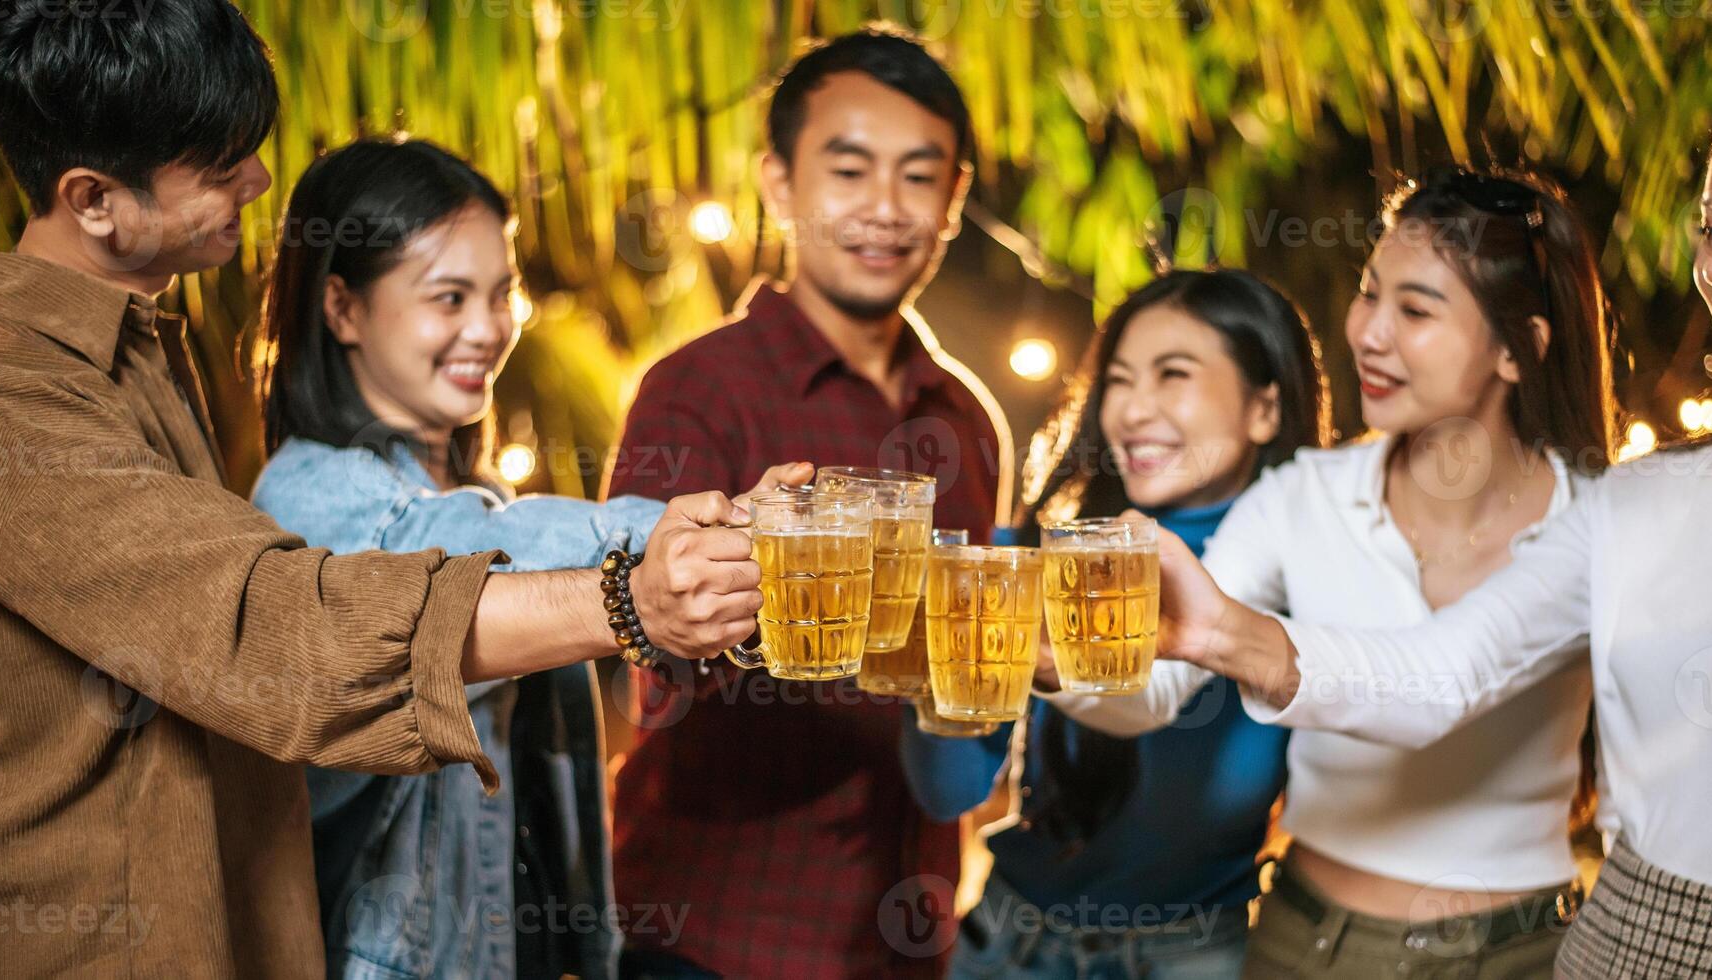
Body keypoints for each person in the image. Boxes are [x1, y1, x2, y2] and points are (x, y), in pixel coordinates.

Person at [0, 3, 761, 974]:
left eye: (498, 292)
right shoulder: (11, 390)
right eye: (220, 164)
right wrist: (635, 585)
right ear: (94, 198)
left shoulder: (138, 359)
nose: (261, 181)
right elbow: (269, 624)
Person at [1150, 78, 1712, 978]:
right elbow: (1439, 679)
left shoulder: (1585, 494)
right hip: (1633, 944)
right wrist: (1212, 631)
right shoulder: (1648, 498)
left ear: (1514, 347)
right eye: (1709, 226)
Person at [249, 138, 811, 980]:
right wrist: (695, 535)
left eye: (500, 294)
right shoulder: (309, 497)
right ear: (342, 310)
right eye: (448, 298)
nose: (486, 329)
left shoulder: (466, 487)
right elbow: (470, 554)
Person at [1059, 168, 1618, 978]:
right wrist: (1053, 663)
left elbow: (1437, 686)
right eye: (1367, 293)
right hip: (1302, 944)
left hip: (1513, 954)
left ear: (1517, 348)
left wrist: (1229, 635)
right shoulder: (1300, 497)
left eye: (1415, 310)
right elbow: (1150, 694)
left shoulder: (1598, 519)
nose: (1368, 333)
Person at [604, 28, 1013, 978]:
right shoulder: (696, 389)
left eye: (919, 176)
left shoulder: (968, 417)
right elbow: (640, 632)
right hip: (716, 936)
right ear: (779, 183)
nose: (884, 208)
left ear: (952, 203)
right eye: (849, 169)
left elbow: (962, 669)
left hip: (908, 937)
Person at [901, 268, 1331, 978]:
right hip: (1011, 945)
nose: (1130, 410)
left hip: (1196, 956)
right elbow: (950, 793)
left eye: (1172, 375)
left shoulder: (1309, 580)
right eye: (1120, 380)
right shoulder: (1024, 561)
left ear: (1264, 408)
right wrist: (922, 661)